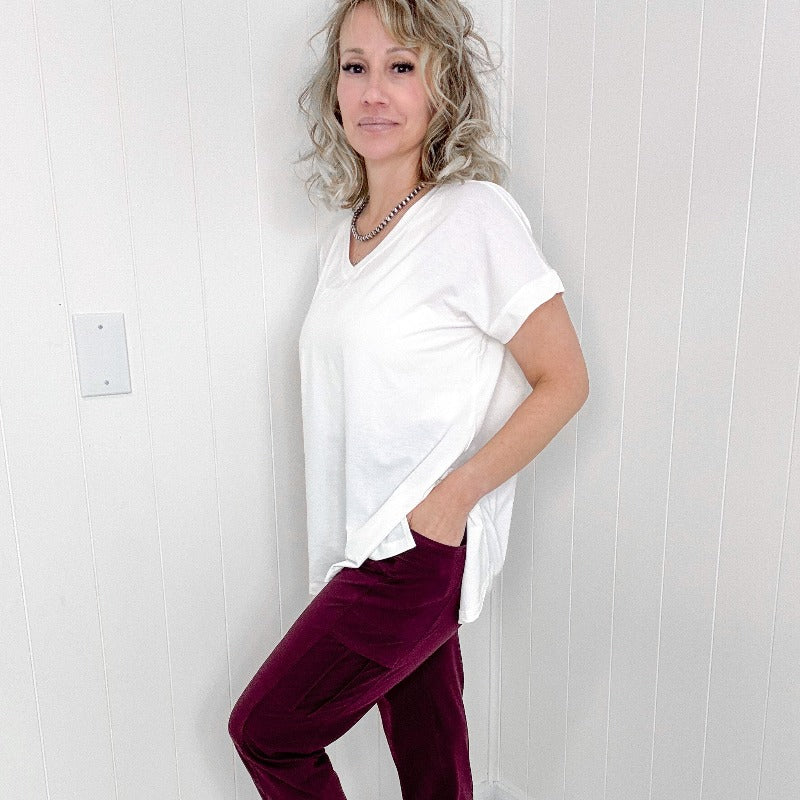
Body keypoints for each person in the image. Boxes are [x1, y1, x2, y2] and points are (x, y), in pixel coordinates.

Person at [228, 0, 589, 797]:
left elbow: (565, 378)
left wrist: (452, 499)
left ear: (441, 86)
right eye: (355, 67)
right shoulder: (346, 239)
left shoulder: (473, 215)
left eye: (401, 67)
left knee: (267, 733)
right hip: (363, 542)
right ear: (333, 90)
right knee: (432, 761)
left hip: (413, 549)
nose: (374, 91)